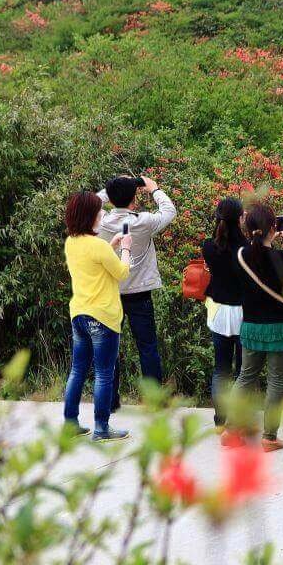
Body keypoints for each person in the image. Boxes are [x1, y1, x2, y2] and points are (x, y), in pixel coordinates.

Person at [226, 203, 283, 453]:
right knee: (276, 382)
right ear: (274, 228)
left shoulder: (239, 256)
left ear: (248, 228)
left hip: (251, 327)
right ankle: (269, 437)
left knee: (245, 377)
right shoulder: (282, 257)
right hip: (280, 328)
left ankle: (231, 430)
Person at [97, 175, 177, 408]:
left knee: (110, 347)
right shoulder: (143, 221)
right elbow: (169, 211)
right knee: (148, 346)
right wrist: (154, 189)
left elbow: (91, 202)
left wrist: (113, 187)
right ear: (134, 199)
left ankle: (110, 401)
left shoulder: (101, 221)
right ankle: (154, 401)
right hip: (140, 293)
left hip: (111, 292)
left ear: (110, 199)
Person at [62, 190, 132, 442]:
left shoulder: (71, 243)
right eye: (99, 210)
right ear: (89, 215)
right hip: (103, 316)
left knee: (77, 370)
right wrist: (125, 248)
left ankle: (70, 423)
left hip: (79, 314)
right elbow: (122, 272)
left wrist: (111, 245)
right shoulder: (98, 246)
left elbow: (95, 266)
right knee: (104, 373)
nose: (102, 213)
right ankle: (102, 428)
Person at [201, 198, 246, 430]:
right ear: (240, 219)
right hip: (243, 312)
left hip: (218, 311)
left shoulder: (209, 246)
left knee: (221, 368)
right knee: (243, 369)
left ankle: (220, 421)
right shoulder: (246, 249)